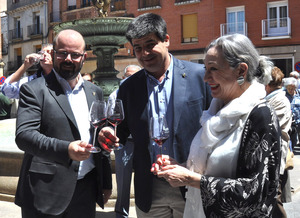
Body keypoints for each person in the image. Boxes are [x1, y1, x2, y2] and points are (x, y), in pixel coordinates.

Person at [151, 33, 281, 217]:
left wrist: (191, 179)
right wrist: (180, 167)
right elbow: (212, 168)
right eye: (206, 68)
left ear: (241, 71)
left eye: (213, 69)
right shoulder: (215, 112)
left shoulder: (260, 114)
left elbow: (256, 192)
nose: (205, 77)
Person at [99, 13, 212, 217]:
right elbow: (119, 128)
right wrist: (108, 131)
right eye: (138, 48)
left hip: (191, 184)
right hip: (149, 190)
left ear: (166, 40)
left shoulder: (199, 76)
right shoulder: (129, 87)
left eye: (150, 44)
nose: (144, 53)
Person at [15, 29, 112, 217]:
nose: (68, 59)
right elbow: (24, 136)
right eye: (62, 53)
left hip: (86, 190)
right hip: (45, 192)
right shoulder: (34, 90)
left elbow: (99, 141)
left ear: (84, 57)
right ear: (52, 54)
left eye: (75, 54)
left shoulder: (95, 92)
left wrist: (105, 182)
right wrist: (66, 149)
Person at [110, 64, 141, 218]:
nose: (131, 78)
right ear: (123, 77)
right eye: (128, 75)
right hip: (124, 142)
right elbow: (111, 119)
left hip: (143, 143)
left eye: (135, 75)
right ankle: (121, 213)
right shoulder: (115, 94)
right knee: (122, 180)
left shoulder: (145, 93)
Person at [265, 67, 292, 218]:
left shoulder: (279, 100)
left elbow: (270, 126)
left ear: (267, 85)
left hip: (274, 155)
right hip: (271, 155)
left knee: (274, 197)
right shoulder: (274, 98)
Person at [284, 77, 300, 149]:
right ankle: (290, 152)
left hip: (298, 121)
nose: (291, 90)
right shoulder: (283, 95)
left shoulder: (298, 94)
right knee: (290, 140)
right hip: (289, 121)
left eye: (292, 88)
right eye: (289, 88)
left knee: (296, 139)